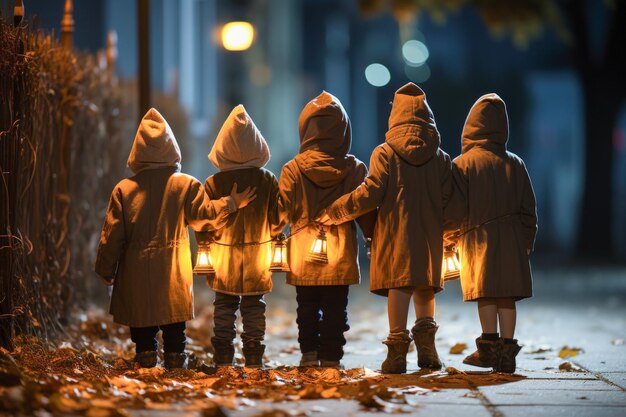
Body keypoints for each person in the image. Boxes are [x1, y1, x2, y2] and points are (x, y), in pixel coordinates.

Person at [95, 108, 256, 369]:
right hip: (172, 268)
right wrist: (231, 203)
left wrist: (106, 269)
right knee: (174, 323)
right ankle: (175, 360)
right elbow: (204, 215)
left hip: (136, 271)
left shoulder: (123, 190)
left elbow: (112, 234)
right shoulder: (185, 185)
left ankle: (146, 356)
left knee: (142, 323)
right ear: (172, 147)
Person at [318, 83, 452, 373]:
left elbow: (371, 193)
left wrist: (337, 210)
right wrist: (452, 233)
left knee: (399, 287)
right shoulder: (440, 158)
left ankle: (396, 354)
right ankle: (428, 352)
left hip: (395, 235)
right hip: (429, 237)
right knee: (425, 287)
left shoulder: (385, 153)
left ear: (396, 115)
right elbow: (449, 199)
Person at [279, 92, 376, 369]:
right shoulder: (354, 169)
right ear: (343, 130)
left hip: (301, 251)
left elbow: (281, 210)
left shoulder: (292, 170)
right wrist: (371, 238)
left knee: (306, 307)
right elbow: (364, 209)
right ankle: (332, 357)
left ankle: (308, 354)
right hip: (339, 252)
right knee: (336, 308)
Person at [446, 93, 537, 373]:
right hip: (511, 240)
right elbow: (528, 207)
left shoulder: (463, 164)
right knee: (507, 295)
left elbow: (455, 208)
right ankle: (507, 353)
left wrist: (448, 239)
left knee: (485, 293)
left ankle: (487, 347)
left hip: (477, 240)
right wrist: (527, 240)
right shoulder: (516, 163)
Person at [196, 105, 286, 368]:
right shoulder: (267, 180)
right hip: (259, 256)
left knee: (224, 306)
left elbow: (205, 220)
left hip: (223, 256)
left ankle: (223, 356)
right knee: (254, 306)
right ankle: (254, 355)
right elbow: (277, 218)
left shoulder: (214, 183)